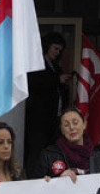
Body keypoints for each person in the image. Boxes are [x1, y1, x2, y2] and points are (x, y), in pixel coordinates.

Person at [24, 32, 72, 172]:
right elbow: (34, 82)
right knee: (36, 152)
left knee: (52, 152)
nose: (58, 52)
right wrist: (57, 80)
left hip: (53, 119)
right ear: (47, 46)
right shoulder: (36, 64)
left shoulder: (55, 66)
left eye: (60, 50)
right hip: (37, 120)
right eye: (55, 48)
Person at [36, 108, 100, 180]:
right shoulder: (49, 155)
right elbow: (36, 185)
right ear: (61, 130)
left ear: (84, 124)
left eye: (75, 123)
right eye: (66, 125)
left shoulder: (99, 155)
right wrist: (57, 180)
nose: (72, 127)